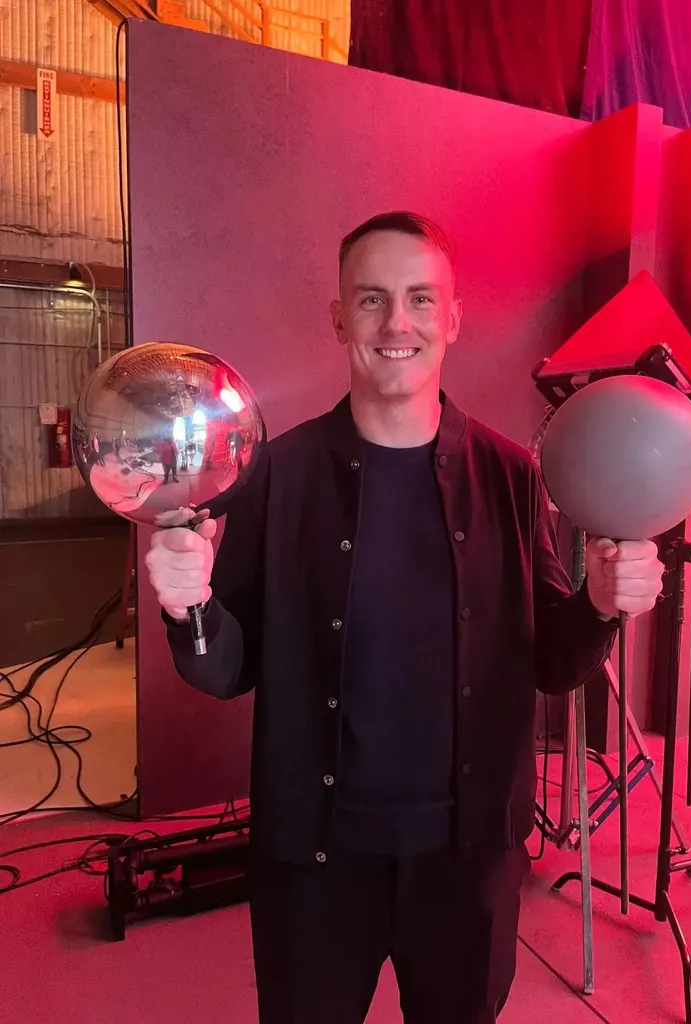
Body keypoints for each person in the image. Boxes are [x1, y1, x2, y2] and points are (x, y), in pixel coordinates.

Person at [145, 211, 664, 1024]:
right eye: (373, 299)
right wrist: (191, 605)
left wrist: (601, 605)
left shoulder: (510, 475)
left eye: (422, 299)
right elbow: (225, 670)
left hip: (466, 862)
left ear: (452, 319)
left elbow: (553, 664)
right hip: (314, 859)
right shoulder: (278, 473)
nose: (398, 323)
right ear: (339, 316)